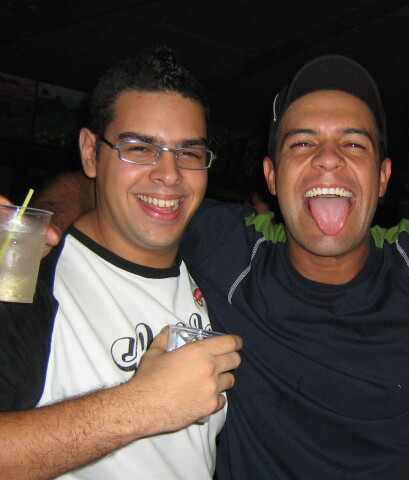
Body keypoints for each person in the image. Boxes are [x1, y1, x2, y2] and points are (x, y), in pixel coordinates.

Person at [35, 54, 409, 479]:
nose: (328, 160)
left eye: (353, 144)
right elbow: (119, 187)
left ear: (383, 177)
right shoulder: (228, 251)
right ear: (271, 178)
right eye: (302, 143)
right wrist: (41, 227)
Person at [0, 46, 242, 479]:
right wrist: (141, 405)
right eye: (140, 148)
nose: (169, 174)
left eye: (189, 153)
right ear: (90, 152)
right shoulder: (25, 274)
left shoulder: (218, 269)